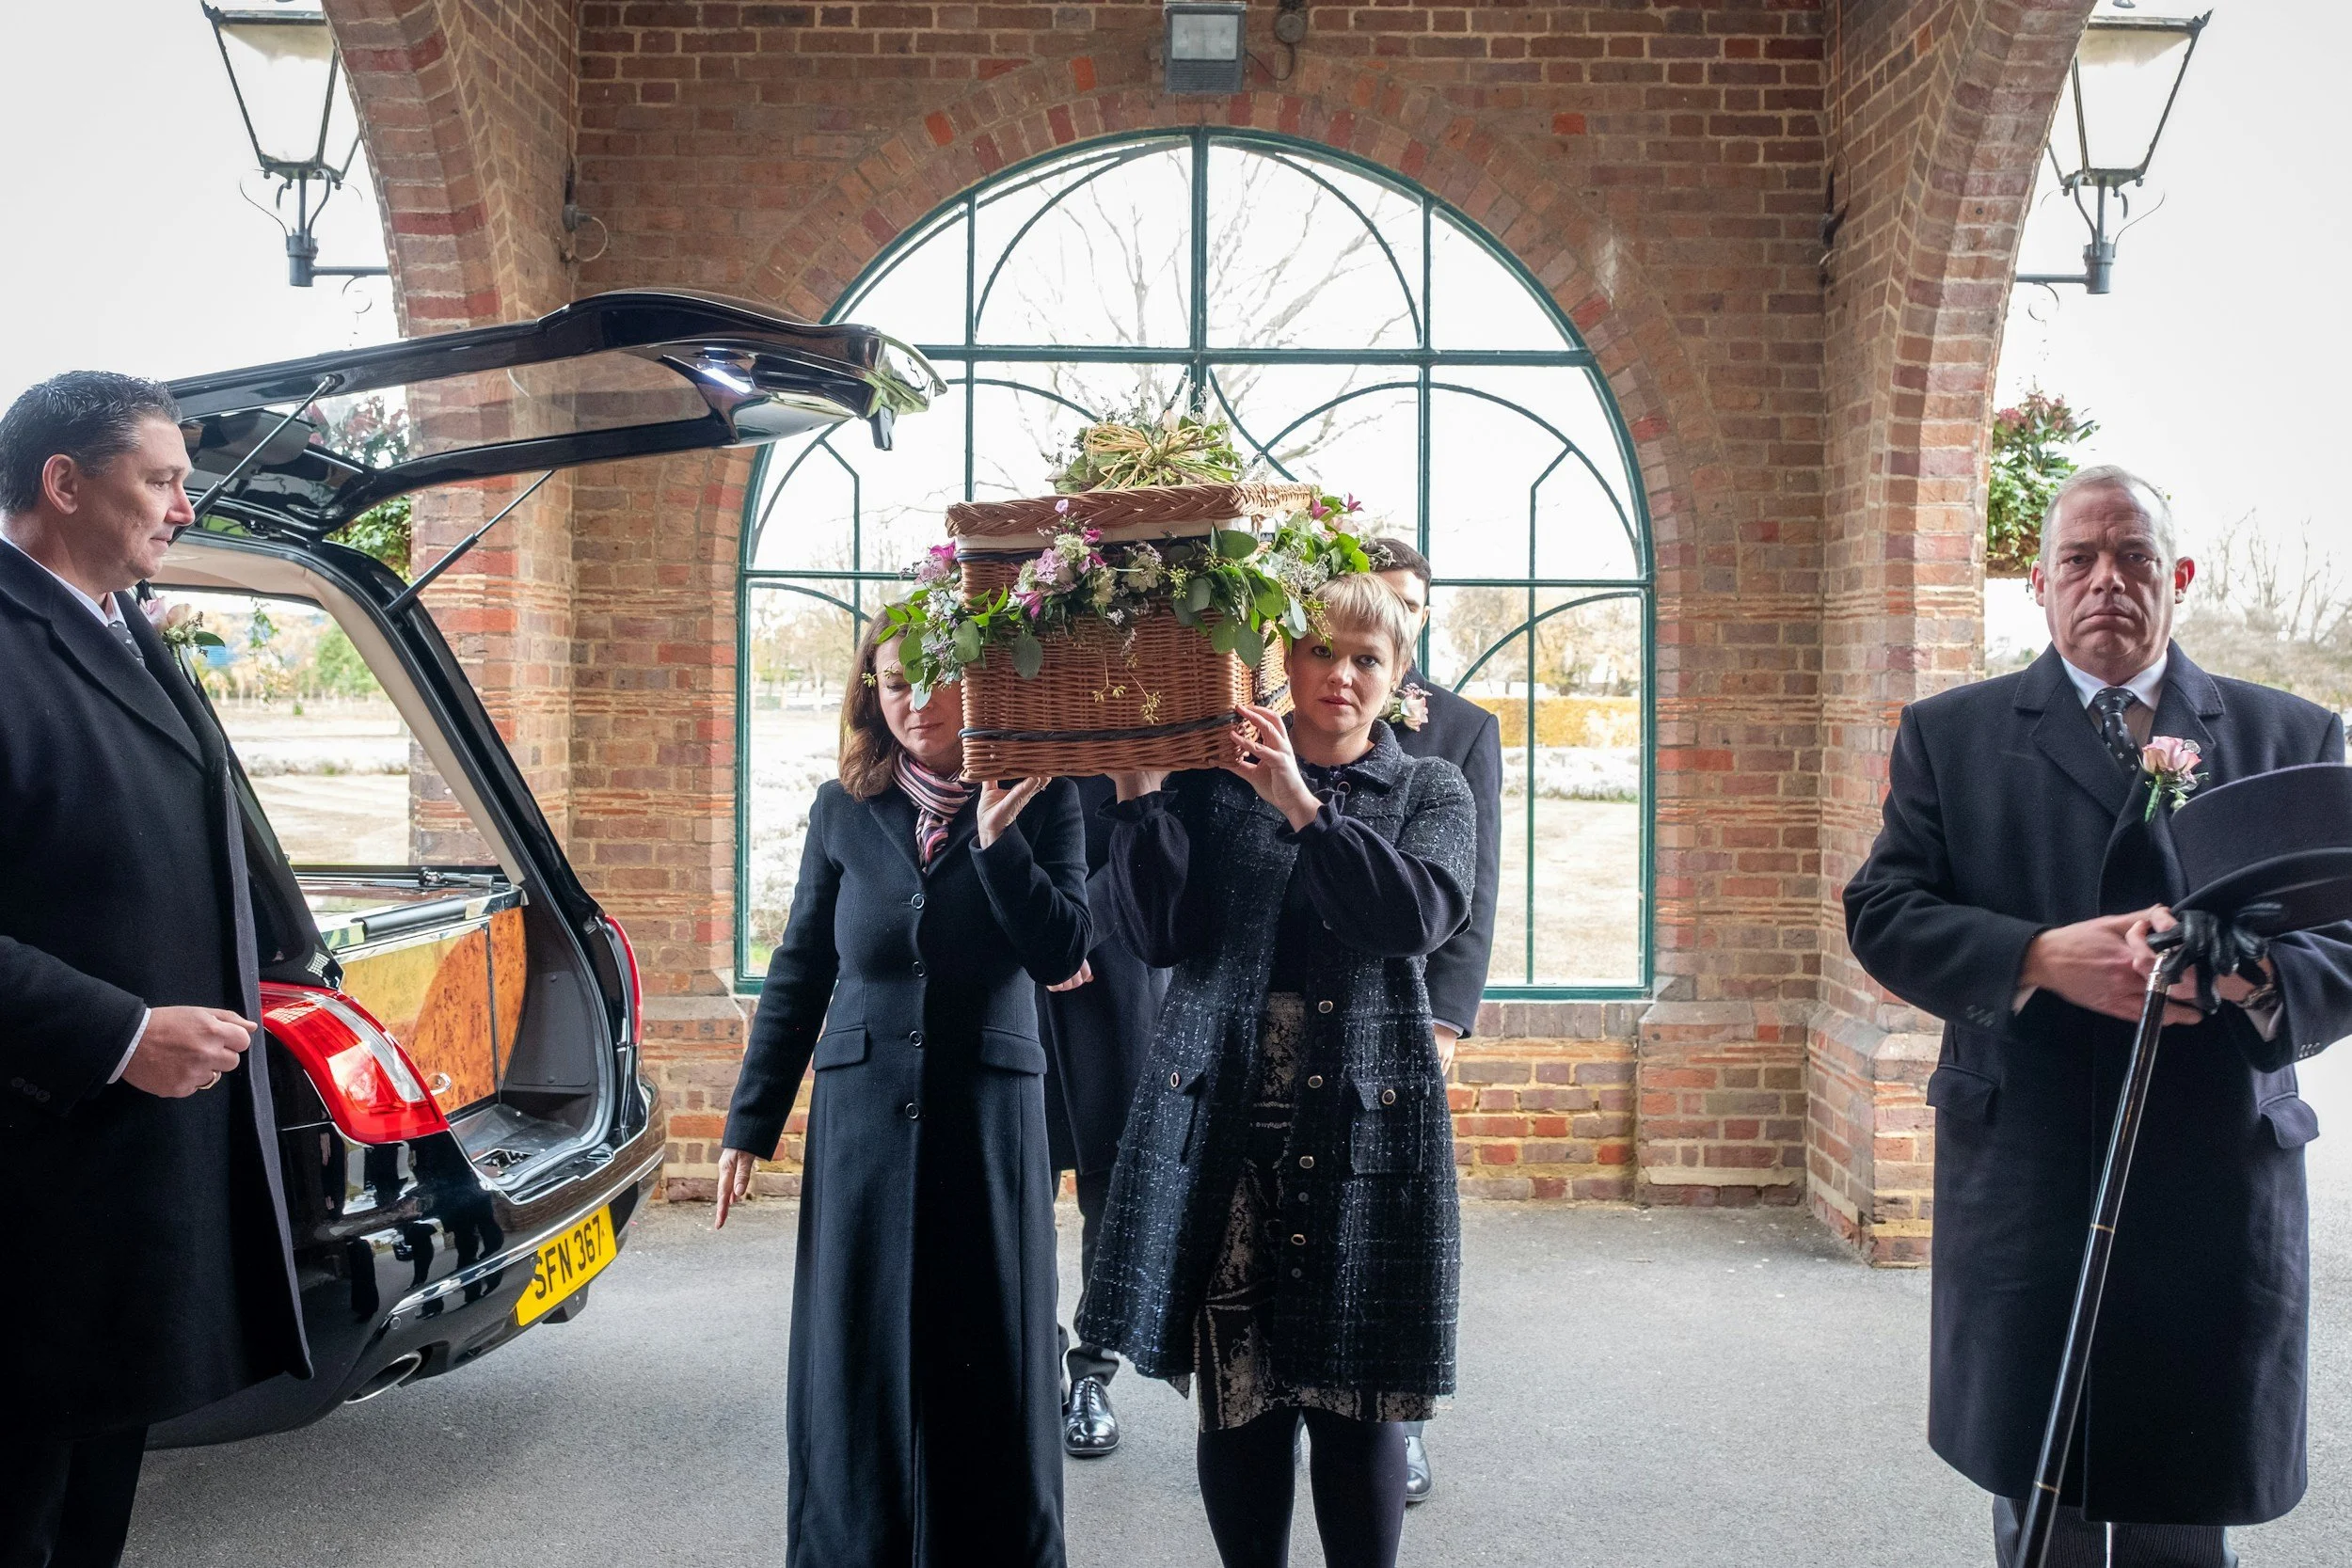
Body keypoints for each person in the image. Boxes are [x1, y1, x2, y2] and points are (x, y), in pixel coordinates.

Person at [1843, 466, 2352, 1567]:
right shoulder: (1950, 733)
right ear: (2038, 582)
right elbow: (1882, 911)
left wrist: (2253, 976)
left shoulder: (2294, 734)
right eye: (2078, 558)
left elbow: (2341, 937)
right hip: (2029, 1156)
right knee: (2046, 1493)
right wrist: (2034, 955)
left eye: (2132, 557)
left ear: (2177, 576)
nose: (2105, 580)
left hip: (2215, 1159)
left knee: (2182, 1493)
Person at [1080, 573, 1476, 1568]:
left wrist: (1302, 807)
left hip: (1363, 1121)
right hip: (1225, 1119)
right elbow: (1160, 933)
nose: (1340, 675)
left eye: (1366, 659)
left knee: (1355, 1394)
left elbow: (1412, 917)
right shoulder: (1215, 787)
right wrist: (1137, 795)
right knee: (1238, 1393)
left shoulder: (1431, 788)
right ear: (1283, 662)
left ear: (1395, 678)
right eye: (1320, 652)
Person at [0, 372, 310, 1567]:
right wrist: (120, 1033)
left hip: (120, 1195)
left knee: (88, 1523)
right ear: (63, 482)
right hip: (29, 1186)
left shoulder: (122, 623)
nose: (187, 505)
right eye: (163, 478)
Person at [713, 612, 1091, 1568]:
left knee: (992, 1343)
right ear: (869, 697)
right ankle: (856, 1545)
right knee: (858, 1345)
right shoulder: (843, 808)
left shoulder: (1047, 795)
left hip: (989, 1115)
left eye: (937, 675)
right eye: (894, 681)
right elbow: (800, 966)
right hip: (861, 1116)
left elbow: (1062, 950)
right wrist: (749, 1124)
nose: (918, 699)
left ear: (983, 683)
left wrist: (1001, 845)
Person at [1365, 536, 1502, 1504]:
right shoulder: (1289, 709)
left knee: (1398, 1228)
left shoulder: (1459, 728)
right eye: (1376, 599)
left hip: (1410, 1013)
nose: (1394, 615)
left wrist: (1446, 1023)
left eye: (1408, 603)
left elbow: (1475, 891)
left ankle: (1401, 1424)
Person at [1035, 774, 1169, 1458]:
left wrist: (1072, 932)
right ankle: (1036, 1364)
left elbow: (1151, 837)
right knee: (1018, 1193)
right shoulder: (1006, 703)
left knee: (1107, 1197)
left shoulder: (1133, 708)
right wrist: (1040, 934)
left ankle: (1092, 1373)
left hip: (1111, 977)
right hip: (1018, 971)